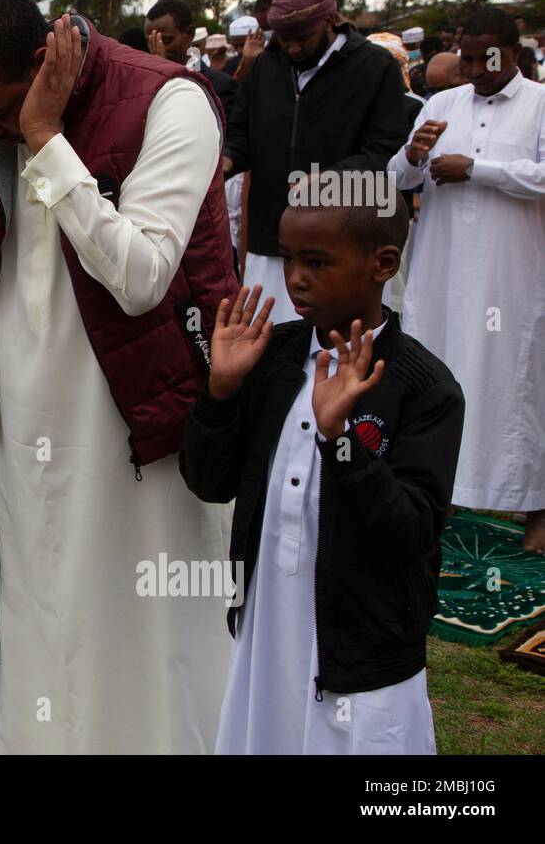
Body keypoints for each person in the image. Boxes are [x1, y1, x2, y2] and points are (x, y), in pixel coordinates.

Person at [0, 0, 238, 753]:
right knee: (47, 625)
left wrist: (46, 135)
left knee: (149, 640)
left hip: (141, 428)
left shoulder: (168, 102)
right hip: (28, 434)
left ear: (44, 58)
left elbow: (142, 276)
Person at [180, 196, 464, 753]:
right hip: (267, 620)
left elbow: (410, 533)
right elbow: (210, 483)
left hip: (363, 640)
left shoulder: (425, 389)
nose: (294, 280)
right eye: (286, 259)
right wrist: (221, 391)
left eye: (317, 263)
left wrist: (342, 442)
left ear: (382, 264)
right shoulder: (271, 356)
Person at [386, 7, 545, 553]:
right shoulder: (441, 104)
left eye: (486, 57)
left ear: (513, 52)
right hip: (444, 268)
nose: (474, 68)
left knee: (518, 383)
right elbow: (396, 177)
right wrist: (413, 155)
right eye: (467, 57)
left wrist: (478, 169)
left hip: (512, 275)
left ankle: (535, 504)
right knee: (440, 372)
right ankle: (443, 488)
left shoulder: (540, 105)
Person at [223, 0, 410, 324]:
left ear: (328, 21)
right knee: (267, 341)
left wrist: (331, 180)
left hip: (338, 242)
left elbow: (386, 148)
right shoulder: (266, 66)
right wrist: (227, 160)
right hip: (270, 237)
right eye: (284, 39)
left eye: (302, 39)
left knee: (330, 344)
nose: (293, 48)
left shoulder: (374, 67)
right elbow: (243, 133)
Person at [145, 0, 238, 121]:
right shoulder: (143, 84)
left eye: (166, 41)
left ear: (189, 34)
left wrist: (164, 75)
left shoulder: (220, 85)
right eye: (151, 42)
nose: (157, 47)